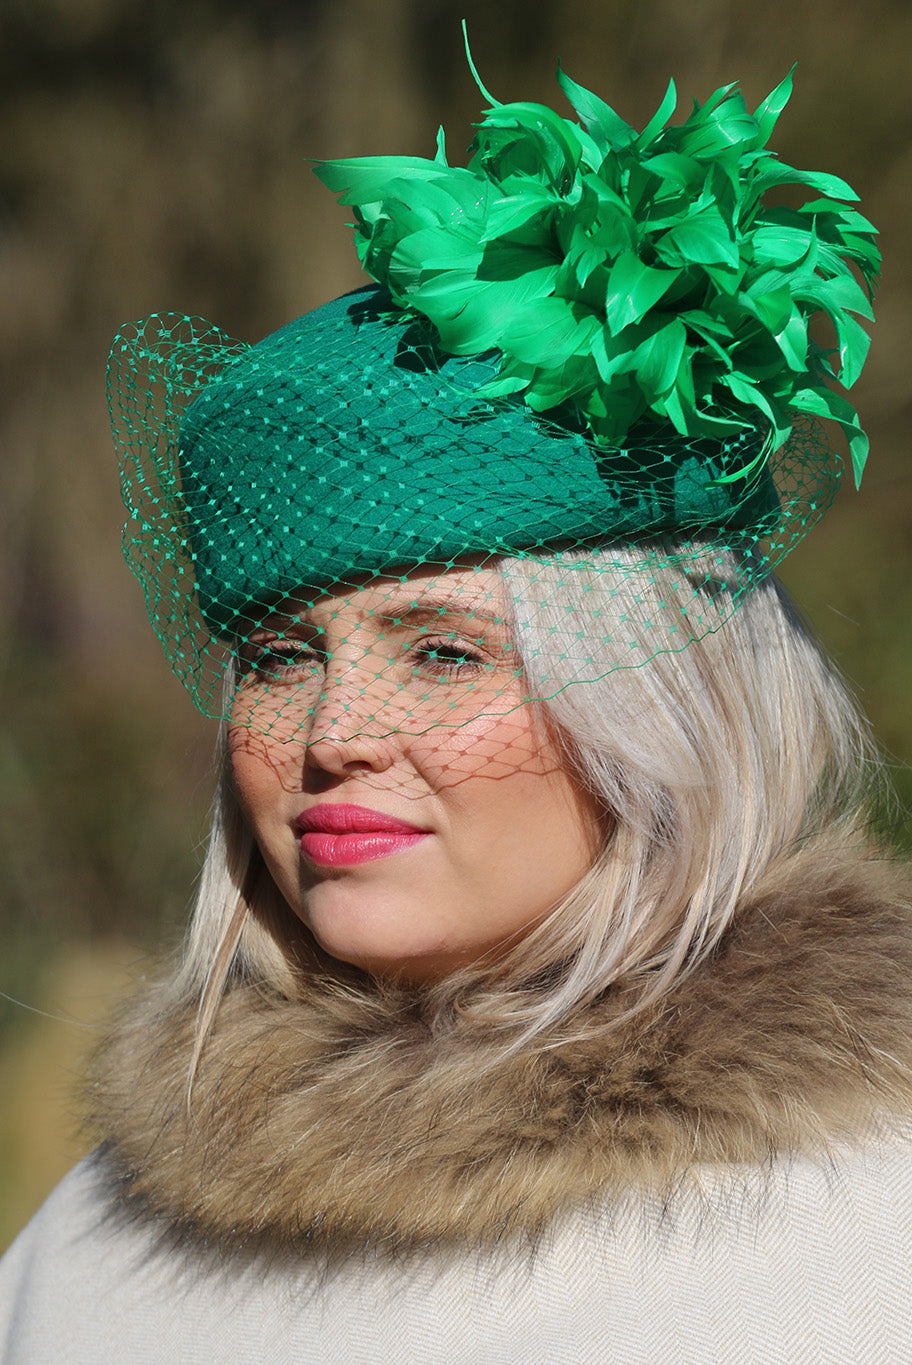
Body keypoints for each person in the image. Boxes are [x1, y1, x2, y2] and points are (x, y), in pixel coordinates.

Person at [2, 51, 911, 1364]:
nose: (330, 736)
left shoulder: (862, 1228)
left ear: (668, 706)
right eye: (277, 656)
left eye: (442, 654)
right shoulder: (97, 1239)